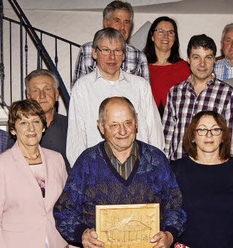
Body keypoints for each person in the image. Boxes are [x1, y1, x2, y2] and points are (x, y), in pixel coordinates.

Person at [54, 96, 186, 247]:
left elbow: (175, 206)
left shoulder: (156, 160)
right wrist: (82, 233)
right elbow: (64, 209)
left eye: (127, 123)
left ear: (136, 121)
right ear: (101, 127)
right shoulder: (87, 161)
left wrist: (169, 234)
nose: (122, 131)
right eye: (114, 125)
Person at [67, 28, 163, 165]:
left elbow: (154, 130)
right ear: (94, 52)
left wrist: (155, 166)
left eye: (117, 51)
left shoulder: (140, 86)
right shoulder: (82, 88)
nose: (112, 57)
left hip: (139, 169)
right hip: (98, 170)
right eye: (105, 50)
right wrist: (84, 172)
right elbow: (76, 137)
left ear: (124, 55)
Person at [0, 99, 68, 248]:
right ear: (13, 129)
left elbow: (68, 206)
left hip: (57, 242)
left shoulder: (56, 159)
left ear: (43, 126)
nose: (31, 128)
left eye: (36, 122)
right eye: (23, 123)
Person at [171, 111, 233, 247]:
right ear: (193, 136)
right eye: (202, 129)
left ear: (223, 136)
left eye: (215, 129)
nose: (209, 134)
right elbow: (170, 214)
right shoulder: (176, 169)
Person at [162, 34, 233, 161]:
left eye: (208, 58)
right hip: (177, 169)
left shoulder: (227, 94)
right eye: (196, 57)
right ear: (188, 59)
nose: (202, 64)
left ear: (215, 60)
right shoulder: (175, 92)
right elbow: (167, 137)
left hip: (211, 170)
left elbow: (228, 141)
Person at [71, 0, 148, 88]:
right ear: (105, 23)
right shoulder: (87, 50)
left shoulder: (139, 57)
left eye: (126, 22)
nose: (122, 27)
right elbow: (77, 89)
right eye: (117, 21)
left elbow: (144, 94)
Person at [142, 16, 190, 115]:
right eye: (160, 31)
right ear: (152, 36)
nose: (166, 36)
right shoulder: (141, 67)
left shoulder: (185, 68)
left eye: (170, 32)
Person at [25, 69, 70, 169]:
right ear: (28, 97)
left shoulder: (71, 126)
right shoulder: (20, 129)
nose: (42, 95)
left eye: (47, 89)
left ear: (57, 95)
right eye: (36, 90)